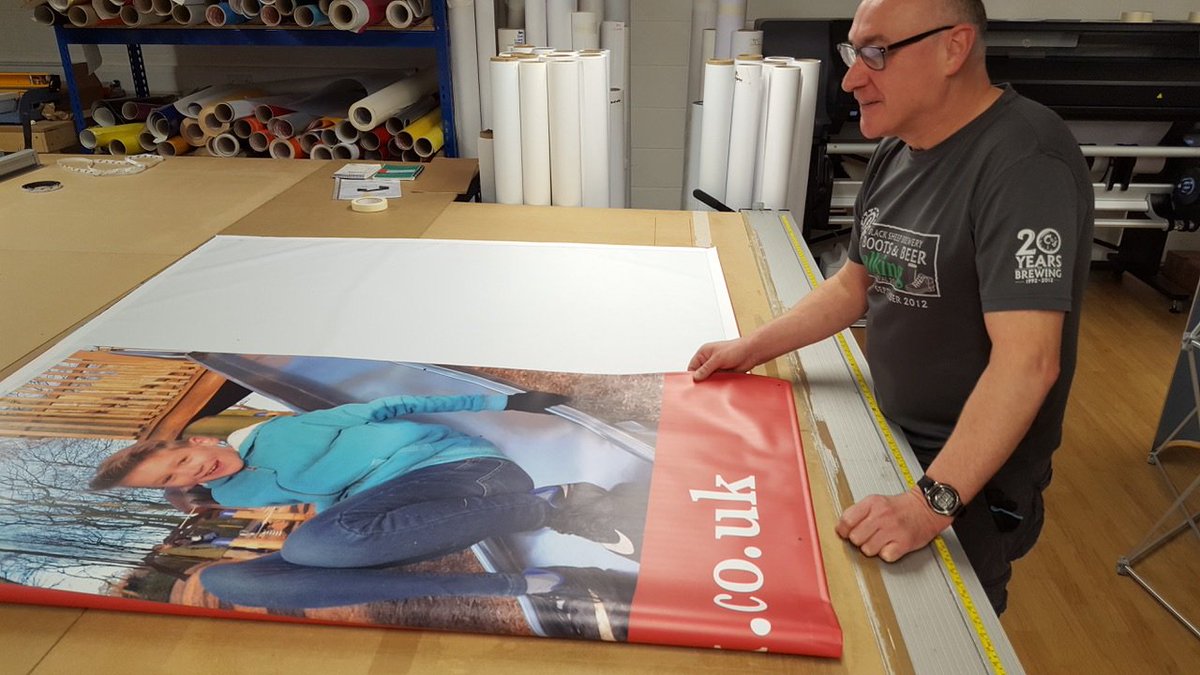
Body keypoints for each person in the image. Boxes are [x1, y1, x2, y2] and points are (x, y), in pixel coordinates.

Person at [689, 0, 1093, 614]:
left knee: (939, 630)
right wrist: (751, 347)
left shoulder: (1024, 162)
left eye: (876, 52)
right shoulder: (900, 147)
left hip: (966, 483)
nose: (851, 77)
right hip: (893, 435)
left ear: (954, 48)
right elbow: (856, 283)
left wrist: (928, 504)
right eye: (853, 52)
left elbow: (1028, 362)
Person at [89, 391, 644, 632]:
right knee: (236, 583)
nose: (191, 474)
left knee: (307, 545)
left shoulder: (281, 430)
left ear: (191, 440)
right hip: (414, 511)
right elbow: (332, 500)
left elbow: (389, 406)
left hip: (468, 475)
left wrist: (501, 403)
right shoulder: (233, 497)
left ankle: (550, 506)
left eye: (183, 459)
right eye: (173, 480)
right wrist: (342, 530)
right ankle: (527, 584)